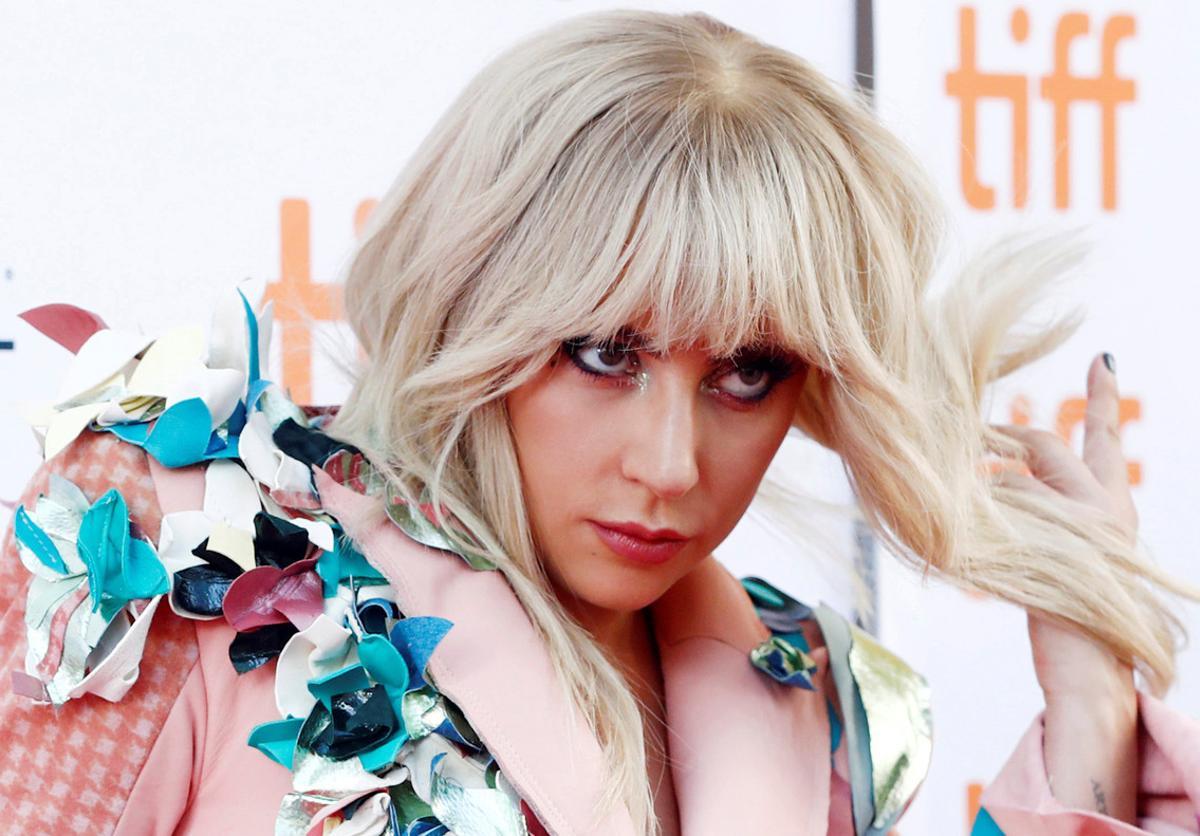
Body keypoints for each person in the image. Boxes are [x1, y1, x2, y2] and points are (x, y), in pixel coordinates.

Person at [2, 9, 1198, 836]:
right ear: (472, 298)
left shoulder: (809, 695)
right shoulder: (176, 546)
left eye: (749, 374)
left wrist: (1093, 706)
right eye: (603, 352)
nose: (672, 465)